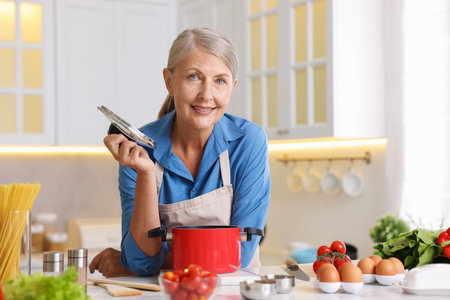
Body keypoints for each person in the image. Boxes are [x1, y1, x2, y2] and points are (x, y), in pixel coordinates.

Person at [89, 28, 271, 277]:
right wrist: (145, 174)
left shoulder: (248, 141)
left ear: (232, 87)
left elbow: (240, 253)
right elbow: (142, 262)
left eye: (220, 81)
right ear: (169, 81)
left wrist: (149, 261)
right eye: (194, 77)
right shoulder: (139, 149)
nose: (206, 95)